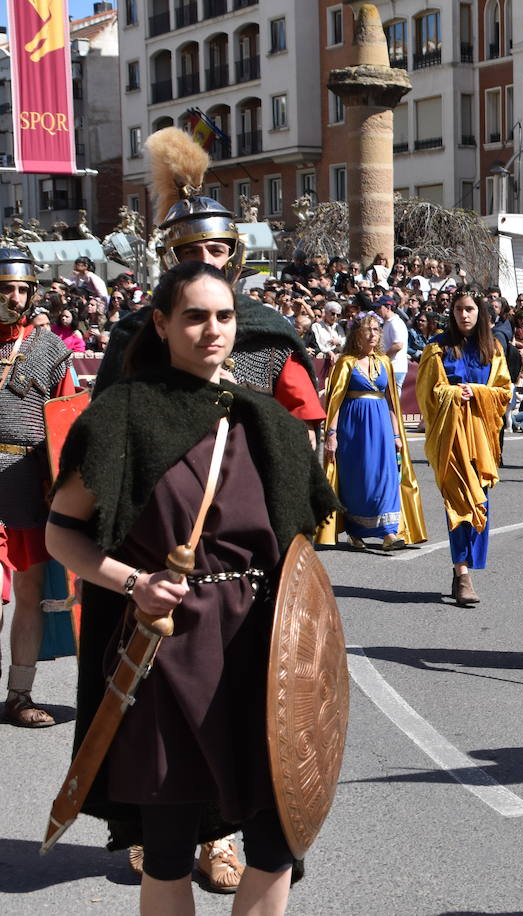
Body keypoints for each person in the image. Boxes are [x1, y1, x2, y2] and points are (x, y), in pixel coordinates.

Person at [45, 260, 336, 916]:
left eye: (224, 316)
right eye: (195, 316)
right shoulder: (123, 416)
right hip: (168, 652)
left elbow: (301, 551)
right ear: (161, 323)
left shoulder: (270, 425)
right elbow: (64, 533)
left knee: (274, 840)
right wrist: (134, 583)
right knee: (169, 847)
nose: (212, 330)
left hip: (261, 656)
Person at [96, 128, 324, 451]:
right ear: (171, 260)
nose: (205, 262)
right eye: (190, 252)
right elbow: (104, 434)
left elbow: (303, 434)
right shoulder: (133, 334)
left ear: (234, 256)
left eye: (216, 251)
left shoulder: (270, 334)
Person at [0, 248, 76, 728]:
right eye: (6, 287)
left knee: (28, 592)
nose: (16, 296)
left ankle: (18, 696)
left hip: (27, 481)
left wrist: (64, 487)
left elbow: (69, 423)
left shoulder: (50, 349)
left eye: (23, 288)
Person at [417, 293, 512, 607]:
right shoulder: (437, 347)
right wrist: (454, 393)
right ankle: (462, 573)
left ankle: (465, 567)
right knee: (458, 502)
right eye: (458, 309)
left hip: (482, 439)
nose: (464, 314)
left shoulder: (493, 349)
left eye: (470, 309)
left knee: (480, 503)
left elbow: (503, 391)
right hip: (451, 436)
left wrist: (479, 392)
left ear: (480, 313)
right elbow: (428, 393)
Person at [318, 313, 426, 551]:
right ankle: (355, 531)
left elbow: (392, 404)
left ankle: (388, 532)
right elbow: (335, 401)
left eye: (376, 329)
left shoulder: (384, 362)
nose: (372, 334)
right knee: (359, 480)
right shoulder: (346, 362)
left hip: (382, 427)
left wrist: (397, 435)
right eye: (367, 329)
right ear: (356, 334)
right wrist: (331, 435)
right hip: (353, 429)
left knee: (386, 477)